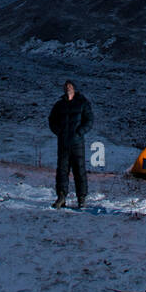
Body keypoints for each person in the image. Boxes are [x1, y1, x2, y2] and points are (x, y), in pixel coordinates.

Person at [48, 80, 93, 208]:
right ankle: (61, 196)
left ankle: (81, 198)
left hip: (77, 143)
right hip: (63, 142)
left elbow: (89, 120)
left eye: (70, 86)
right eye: (66, 87)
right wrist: (59, 132)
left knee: (79, 170)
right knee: (62, 170)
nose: (68, 89)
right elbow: (52, 120)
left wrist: (80, 132)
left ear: (74, 88)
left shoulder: (82, 103)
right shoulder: (59, 105)